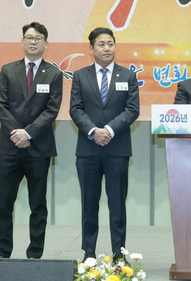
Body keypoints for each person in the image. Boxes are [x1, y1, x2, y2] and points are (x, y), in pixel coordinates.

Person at [0, 22, 63, 259]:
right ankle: (2, 251)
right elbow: (1, 105)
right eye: (29, 38)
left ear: (46, 43)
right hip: (9, 147)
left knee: (38, 205)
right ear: (22, 41)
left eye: (38, 38)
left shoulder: (53, 73)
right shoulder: (7, 70)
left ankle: (35, 253)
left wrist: (28, 133)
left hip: (38, 148)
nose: (33, 42)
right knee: (4, 202)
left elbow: (52, 110)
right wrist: (17, 133)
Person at [70, 27, 140, 260]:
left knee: (117, 205)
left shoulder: (127, 76)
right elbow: (75, 109)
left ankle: (119, 253)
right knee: (89, 205)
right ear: (91, 49)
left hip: (117, 149)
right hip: (88, 150)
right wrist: (93, 131)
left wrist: (108, 130)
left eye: (110, 43)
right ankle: (89, 253)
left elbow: (132, 110)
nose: (107, 48)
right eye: (101, 44)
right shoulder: (80, 75)